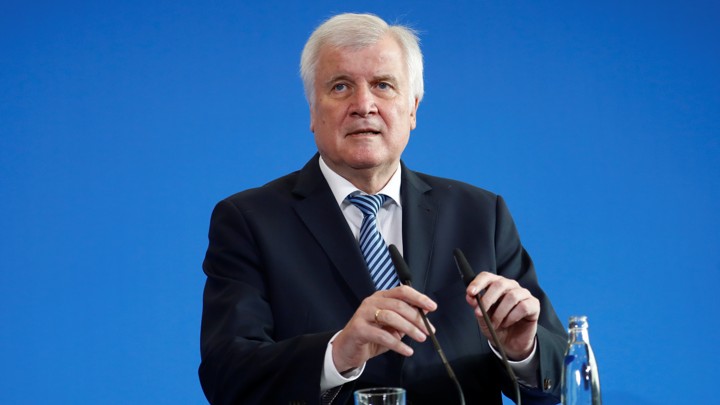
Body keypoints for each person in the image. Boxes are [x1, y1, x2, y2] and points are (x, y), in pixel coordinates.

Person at [199, 13, 566, 405]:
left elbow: (557, 379)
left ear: (413, 108)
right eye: (340, 86)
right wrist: (338, 352)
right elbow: (227, 375)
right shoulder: (250, 220)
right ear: (312, 109)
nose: (363, 105)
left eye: (383, 85)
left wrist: (521, 351)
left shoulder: (480, 214)